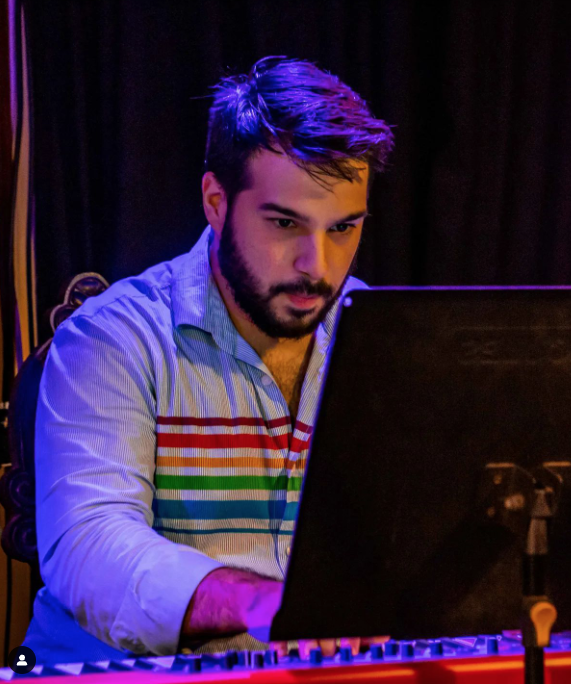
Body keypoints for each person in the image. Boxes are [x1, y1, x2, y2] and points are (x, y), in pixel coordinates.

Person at [22, 55, 394, 665]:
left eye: (342, 229)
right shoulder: (113, 338)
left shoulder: (379, 338)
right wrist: (258, 601)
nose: (318, 266)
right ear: (216, 202)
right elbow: (90, 546)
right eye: (285, 223)